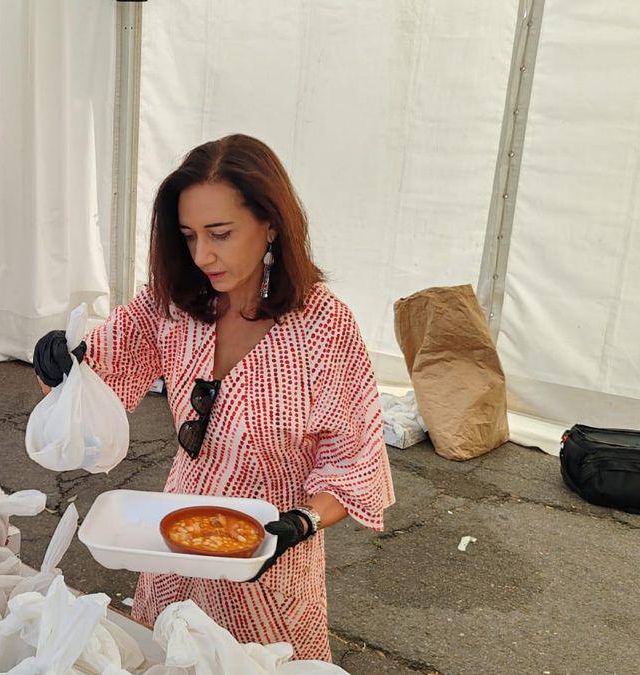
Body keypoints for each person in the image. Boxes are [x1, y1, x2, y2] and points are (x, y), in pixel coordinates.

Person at [33, 135, 394, 661]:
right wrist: (60, 366)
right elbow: (94, 383)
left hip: (270, 543)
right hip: (177, 528)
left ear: (270, 223)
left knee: (260, 665)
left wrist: (302, 523)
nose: (203, 255)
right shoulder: (176, 304)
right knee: (166, 655)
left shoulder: (322, 325)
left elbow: (353, 458)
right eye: (189, 236)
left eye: (220, 234)